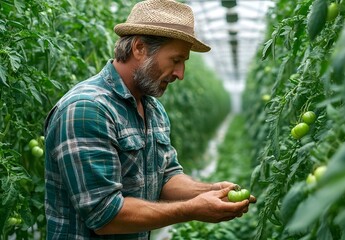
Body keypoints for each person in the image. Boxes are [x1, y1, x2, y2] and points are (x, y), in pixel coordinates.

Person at [43, 0, 256, 239]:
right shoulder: (87, 109)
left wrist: (211, 190)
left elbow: (166, 176)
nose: (180, 74)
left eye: (184, 62)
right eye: (176, 60)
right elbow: (104, 215)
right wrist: (193, 209)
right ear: (139, 48)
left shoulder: (152, 108)